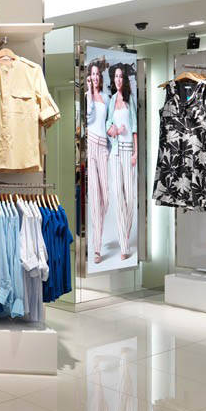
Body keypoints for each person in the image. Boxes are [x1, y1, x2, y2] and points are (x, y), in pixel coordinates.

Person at [106, 63, 137, 260]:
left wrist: (135, 153)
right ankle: (124, 247)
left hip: (128, 151)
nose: (118, 79)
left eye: (120, 77)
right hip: (115, 153)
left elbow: (135, 128)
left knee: (130, 198)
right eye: (115, 76)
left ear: (124, 80)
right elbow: (107, 124)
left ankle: (125, 231)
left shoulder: (129, 100)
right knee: (118, 196)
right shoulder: (111, 101)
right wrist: (115, 130)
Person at [85, 60, 110, 264]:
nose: (94, 77)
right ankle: (97, 248)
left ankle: (99, 228)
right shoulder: (88, 97)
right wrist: (89, 92)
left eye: (97, 74)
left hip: (104, 148)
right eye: (92, 74)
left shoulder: (107, 97)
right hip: (91, 145)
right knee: (94, 198)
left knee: (106, 197)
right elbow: (89, 116)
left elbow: (108, 122)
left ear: (100, 77)